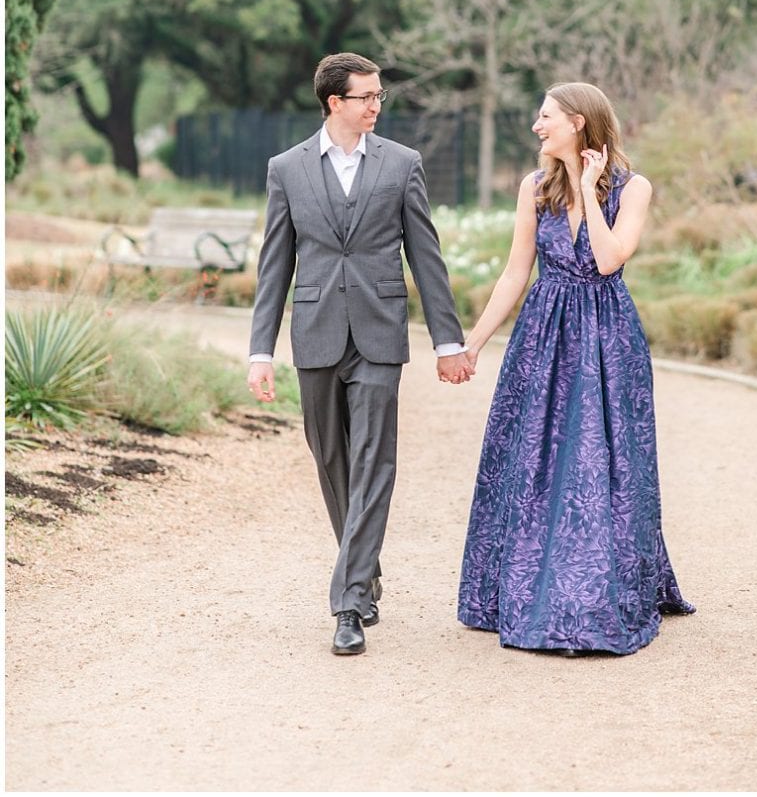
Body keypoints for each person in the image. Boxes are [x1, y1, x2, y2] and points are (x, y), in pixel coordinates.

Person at [454, 82, 693, 654]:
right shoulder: (533, 187)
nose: (537, 127)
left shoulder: (633, 188)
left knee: (601, 464)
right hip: (544, 334)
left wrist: (588, 188)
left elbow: (609, 261)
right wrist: (474, 343)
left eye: (546, 117)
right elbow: (516, 273)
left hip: (608, 338)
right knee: (531, 460)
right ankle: (523, 586)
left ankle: (595, 593)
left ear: (580, 123)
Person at [246, 52, 470, 657]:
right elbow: (275, 266)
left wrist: (447, 341)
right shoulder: (286, 169)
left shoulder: (402, 164)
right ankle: (364, 568)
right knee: (331, 460)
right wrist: (259, 351)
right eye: (366, 97)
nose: (376, 105)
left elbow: (427, 256)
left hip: (379, 333)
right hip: (315, 332)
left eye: (379, 97)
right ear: (334, 102)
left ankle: (347, 603)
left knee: (374, 461)